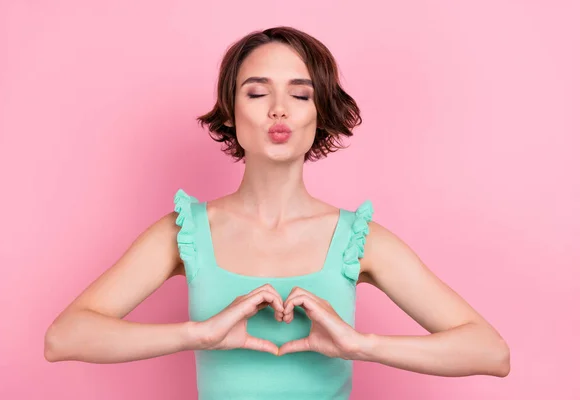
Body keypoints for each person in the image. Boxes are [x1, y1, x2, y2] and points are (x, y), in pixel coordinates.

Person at [44, 26, 510, 399]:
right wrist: (198, 335)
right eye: (257, 92)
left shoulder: (358, 240)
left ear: (320, 113)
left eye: (301, 94)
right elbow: (64, 338)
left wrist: (360, 346)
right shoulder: (182, 233)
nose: (279, 110)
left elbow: (490, 352)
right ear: (228, 111)